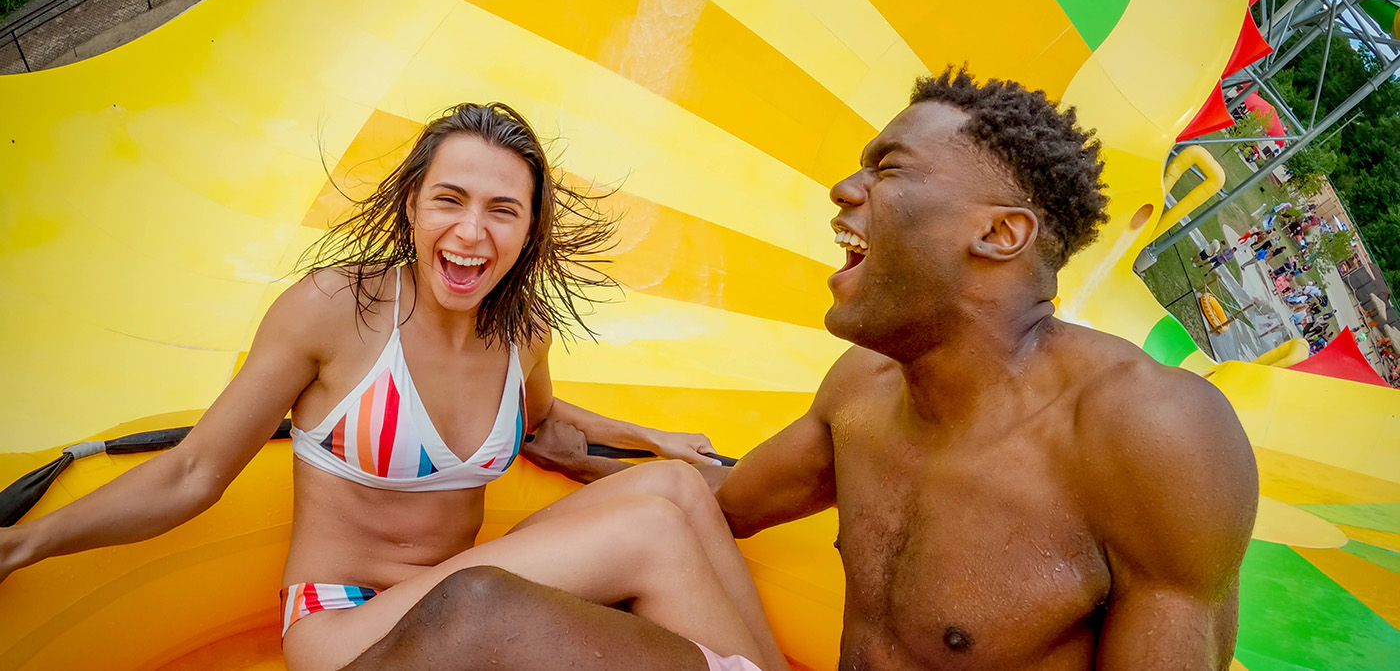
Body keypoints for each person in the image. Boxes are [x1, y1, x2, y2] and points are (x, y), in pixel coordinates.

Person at [346, 67, 1260, 670]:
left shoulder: (1153, 437)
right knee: (474, 617)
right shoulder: (863, 392)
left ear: (998, 233)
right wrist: (556, 435)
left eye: (888, 169)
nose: (845, 189)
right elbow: (722, 499)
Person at [0, 103, 787, 671]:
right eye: (450, 200)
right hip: (347, 628)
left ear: (529, 230)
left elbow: (544, 428)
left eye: (502, 211)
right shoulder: (332, 311)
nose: (472, 233)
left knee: (675, 494)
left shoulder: (523, 331)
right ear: (412, 204)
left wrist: (655, 447)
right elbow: (192, 472)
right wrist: (22, 544)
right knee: (646, 531)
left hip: (462, 585)